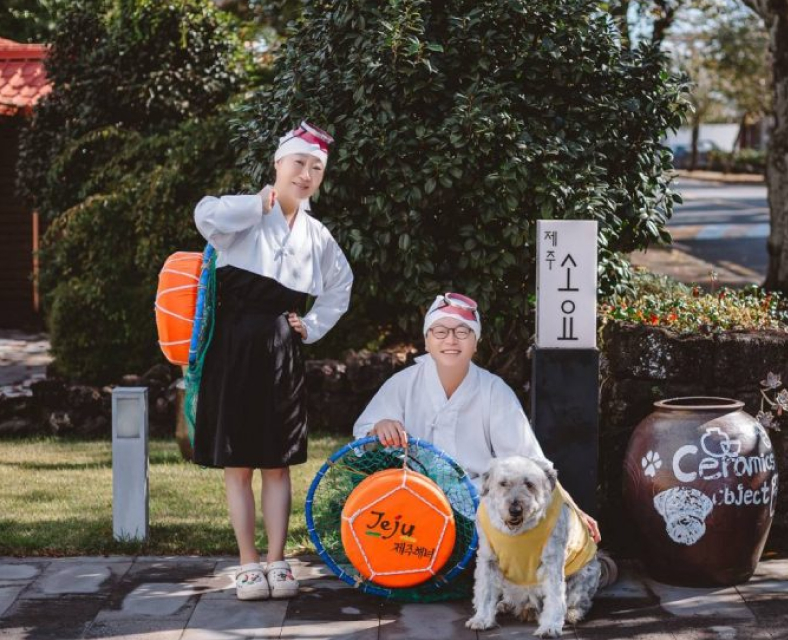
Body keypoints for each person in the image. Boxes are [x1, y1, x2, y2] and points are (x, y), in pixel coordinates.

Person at [192, 121, 353, 601]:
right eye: (299, 163)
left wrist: (312, 324)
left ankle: (277, 560)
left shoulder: (317, 234)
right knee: (239, 464)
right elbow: (204, 214)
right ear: (278, 164)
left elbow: (341, 285)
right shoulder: (244, 214)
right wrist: (257, 203)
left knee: (278, 463)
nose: (306, 174)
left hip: (283, 349)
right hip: (233, 347)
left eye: (316, 168)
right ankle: (247, 563)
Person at [351, 293, 601, 543]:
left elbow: (530, 461)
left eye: (462, 332)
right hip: (410, 508)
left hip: (476, 510)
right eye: (440, 331)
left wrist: (572, 510)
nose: (451, 339)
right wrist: (379, 428)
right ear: (427, 341)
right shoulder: (403, 384)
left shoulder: (493, 390)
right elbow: (363, 440)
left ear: (476, 343)